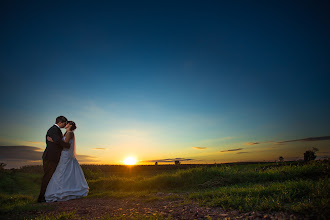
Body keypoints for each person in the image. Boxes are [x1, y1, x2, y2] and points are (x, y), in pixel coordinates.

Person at [44, 121, 89, 202]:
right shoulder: (66, 133)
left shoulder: (70, 133)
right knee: (63, 171)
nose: (65, 125)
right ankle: (65, 190)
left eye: (67, 123)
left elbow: (65, 143)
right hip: (64, 153)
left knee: (62, 170)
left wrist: (52, 140)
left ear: (70, 125)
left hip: (66, 154)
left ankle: (62, 191)